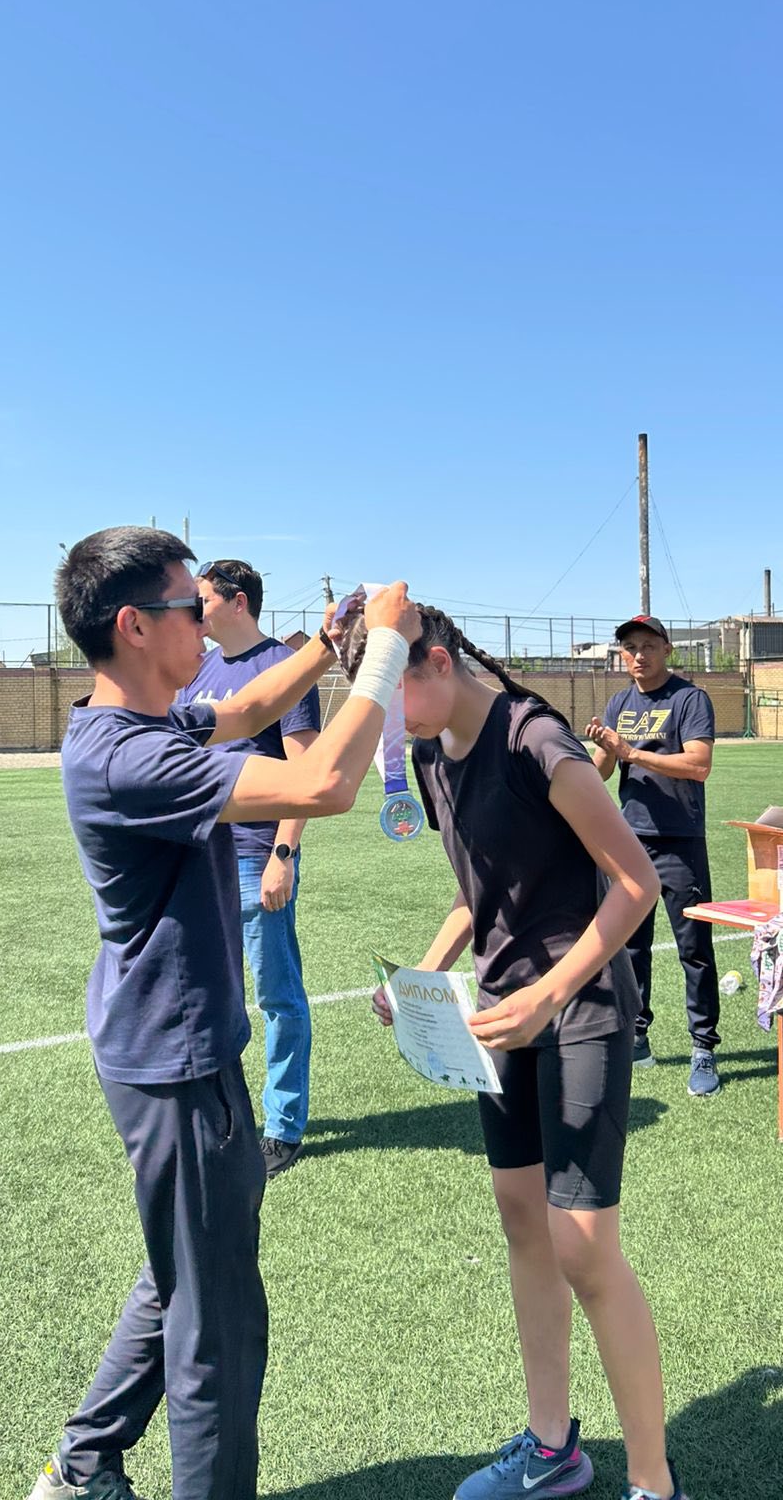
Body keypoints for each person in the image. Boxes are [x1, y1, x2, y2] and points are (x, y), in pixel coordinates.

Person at [30, 527, 420, 1500]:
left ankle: (83, 1460)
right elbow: (323, 783)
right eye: (187, 607)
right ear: (134, 625)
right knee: (219, 1331)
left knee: (183, 1274)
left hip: (176, 1047)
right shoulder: (129, 757)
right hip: (174, 1062)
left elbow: (246, 708)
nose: (204, 624)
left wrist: (324, 649)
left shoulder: (148, 720)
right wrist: (385, 648)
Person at [337, 603, 689, 1500]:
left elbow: (636, 883)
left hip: (581, 1005)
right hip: (499, 1018)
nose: (383, 721)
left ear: (438, 662)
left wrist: (548, 993)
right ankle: (552, 1447)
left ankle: (654, 1483)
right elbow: (478, 890)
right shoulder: (428, 756)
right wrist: (423, 975)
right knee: (523, 1224)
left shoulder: (536, 740)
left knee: (583, 1249)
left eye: (389, 691)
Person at [178, 559, 320, 1178]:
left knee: (277, 997)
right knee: (209, 993)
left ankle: (284, 1126)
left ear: (238, 603)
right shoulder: (198, 670)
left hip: (256, 858)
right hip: (198, 860)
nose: (194, 609)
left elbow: (305, 774)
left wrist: (283, 855)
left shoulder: (283, 668)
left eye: (203, 599)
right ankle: (224, 1115)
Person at [585, 615, 722, 1099]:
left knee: (694, 950)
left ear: (667, 650)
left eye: (647, 645)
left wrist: (631, 752)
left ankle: (703, 1047)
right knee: (630, 948)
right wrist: (603, 750)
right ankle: (637, 1037)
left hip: (679, 840)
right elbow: (604, 771)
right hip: (630, 840)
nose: (638, 655)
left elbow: (699, 764)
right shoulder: (620, 702)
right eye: (630, 647)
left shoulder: (689, 699)